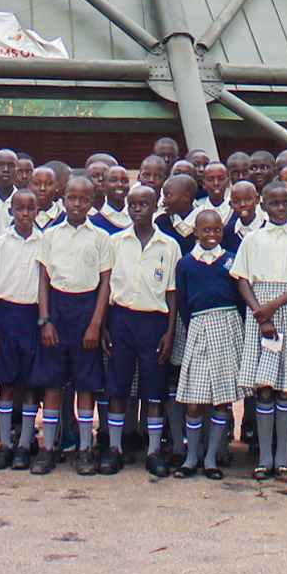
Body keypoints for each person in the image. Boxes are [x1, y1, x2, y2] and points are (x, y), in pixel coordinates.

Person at [231, 180, 287, 483]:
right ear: (263, 204)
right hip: (260, 314)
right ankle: (265, 458)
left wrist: (275, 306)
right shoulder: (253, 239)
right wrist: (262, 314)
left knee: (286, 387)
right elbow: (242, 279)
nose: (281, 208)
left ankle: (283, 458)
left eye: (286, 203)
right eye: (274, 203)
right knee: (264, 388)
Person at [32, 174, 113, 475]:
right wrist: (45, 320)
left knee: (85, 383)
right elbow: (43, 279)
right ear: (63, 198)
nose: (76, 203)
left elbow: (105, 283)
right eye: (71, 198)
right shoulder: (51, 235)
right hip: (57, 308)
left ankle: (84, 448)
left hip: (86, 309)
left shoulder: (100, 237)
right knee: (53, 381)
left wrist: (95, 323)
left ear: (91, 202)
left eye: (83, 199)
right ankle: (48, 447)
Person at [105, 183, 181, 477]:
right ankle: (114, 448)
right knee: (118, 386)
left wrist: (170, 332)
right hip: (121, 319)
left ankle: (153, 451)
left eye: (144, 204)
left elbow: (172, 293)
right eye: (133, 204)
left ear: (155, 207)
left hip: (154, 322)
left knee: (154, 389)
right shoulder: (116, 242)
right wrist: (105, 325)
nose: (138, 210)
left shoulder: (169, 245)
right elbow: (107, 284)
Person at [173, 208, 241, 480]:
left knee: (221, 399)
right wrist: (194, 329)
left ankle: (212, 457)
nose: (211, 235)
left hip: (227, 327)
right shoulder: (186, 263)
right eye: (206, 230)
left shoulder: (231, 261)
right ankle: (192, 456)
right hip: (199, 328)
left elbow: (238, 297)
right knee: (194, 398)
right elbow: (182, 301)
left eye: (216, 230)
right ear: (196, 232)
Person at [0, 187, 44, 469]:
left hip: (33, 316)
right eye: (19, 209)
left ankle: (24, 443)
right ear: (11, 212)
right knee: (6, 382)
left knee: (31, 382)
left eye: (30, 209)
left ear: (37, 211)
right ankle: (5, 445)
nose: (25, 214)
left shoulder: (44, 242)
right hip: (7, 315)